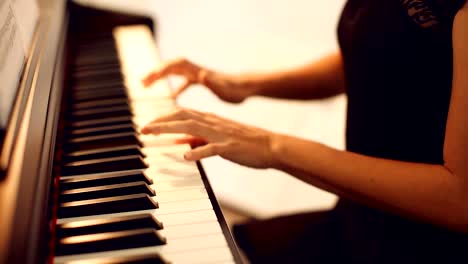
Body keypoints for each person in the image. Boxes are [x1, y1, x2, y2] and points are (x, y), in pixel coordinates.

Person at [142, 0, 468, 263]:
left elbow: (459, 198)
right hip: (360, 222)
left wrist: (271, 146)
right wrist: (245, 85)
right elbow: (378, 50)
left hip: (425, 248)